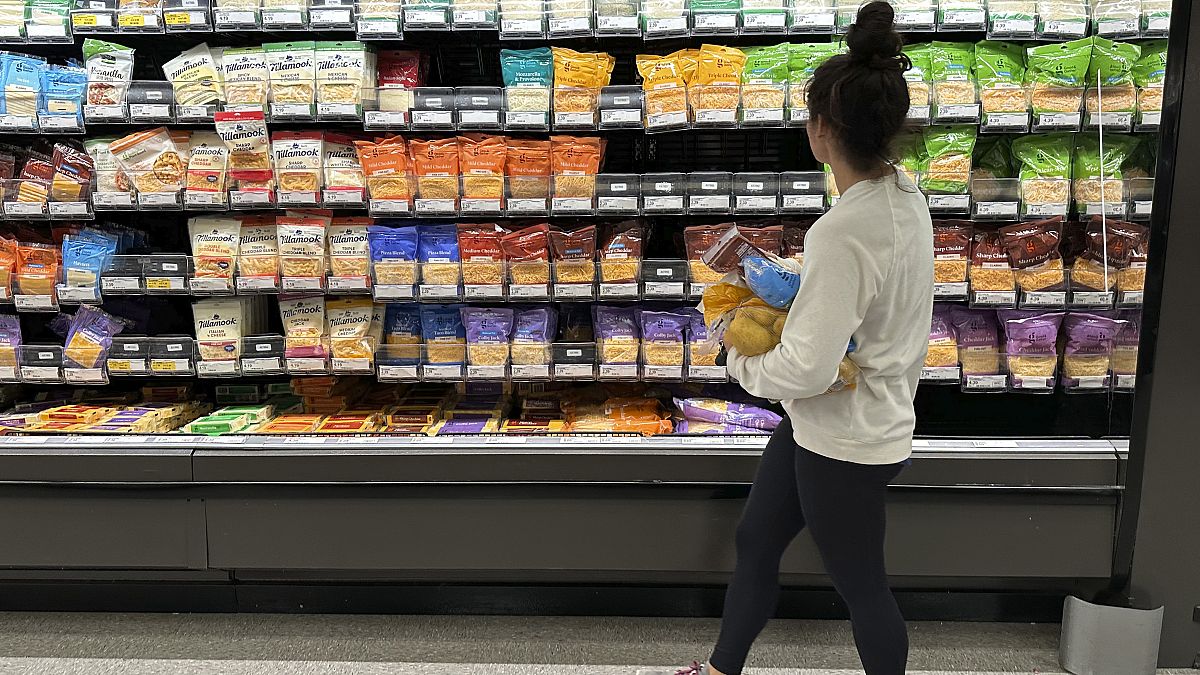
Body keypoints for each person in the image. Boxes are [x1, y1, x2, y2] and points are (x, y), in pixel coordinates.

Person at [659, 3, 934, 675]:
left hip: (846, 437)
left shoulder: (841, 229)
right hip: (842, 422)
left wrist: (736, 357)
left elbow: (808, 368)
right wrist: (788, 280)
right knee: (757, 538)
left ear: (820, 131)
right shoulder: (904, 196)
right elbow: (865, 288)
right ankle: (723, 668)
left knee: (863, 587)